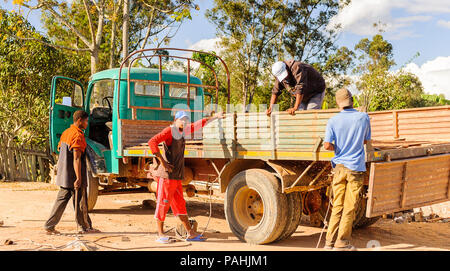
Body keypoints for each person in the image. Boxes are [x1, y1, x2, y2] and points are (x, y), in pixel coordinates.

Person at [148, 110, 224, 243]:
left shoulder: (182, 131)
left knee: (180, 205)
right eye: (182, 119)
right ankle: (160, 234)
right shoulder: (169, 131)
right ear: (175, 120)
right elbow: (152, 142)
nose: (184, 122)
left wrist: (214, 117)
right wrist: (163, 162)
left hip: (176, 177)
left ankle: (191, 233)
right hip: (166, 176)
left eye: (186, 120)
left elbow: (197, 125)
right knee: (163, 204)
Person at [322, 88, 371, 251]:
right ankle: (342, 243)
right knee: (350, 207)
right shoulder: (363, 117)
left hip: (340, 168)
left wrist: (339, 148)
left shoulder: (333, 121)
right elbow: (365, 141)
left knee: (337, 205)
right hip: (356, 168)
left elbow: (327, 145)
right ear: (352, 101)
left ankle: (328, 243)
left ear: (338, 103)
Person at [44, 110, 100, 235]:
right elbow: (76, 158)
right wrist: (79, 178)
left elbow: (60, 149)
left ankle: (49, 225)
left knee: (61, 201)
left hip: (64, 175)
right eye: (86, 121)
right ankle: (86, 227)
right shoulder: (78, 135)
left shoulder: (66, 133)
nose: (87, 123)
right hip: (74, 175)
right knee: (81, 203)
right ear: (80, 120)